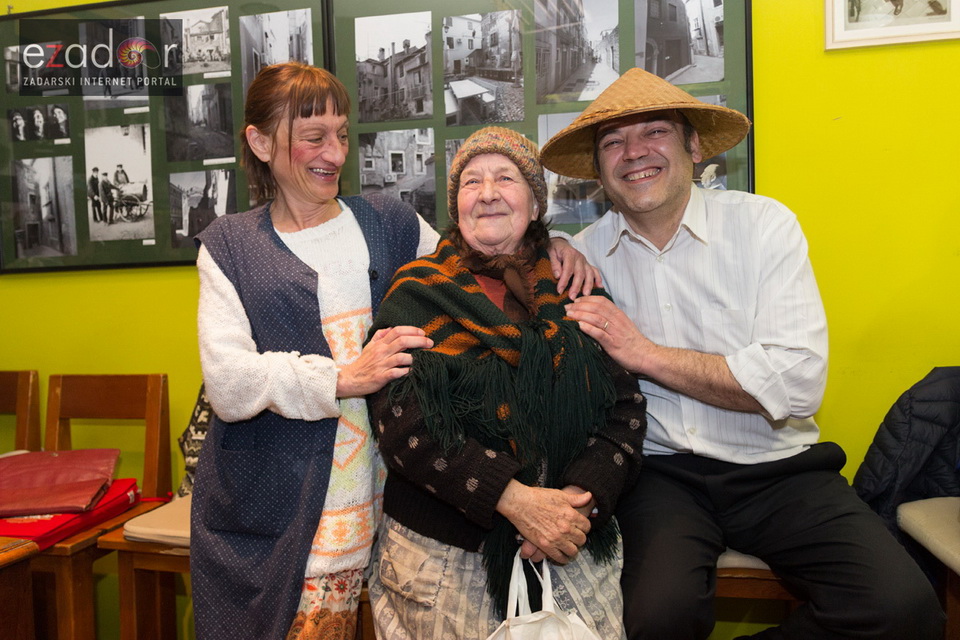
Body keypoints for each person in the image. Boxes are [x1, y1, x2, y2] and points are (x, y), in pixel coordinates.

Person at [191, 64, 597, 640]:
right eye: (313, 137)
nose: (335, 152)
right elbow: (228, 383)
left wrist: (553, 244)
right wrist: (342, 377)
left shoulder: (388, 222)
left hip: (384, 505)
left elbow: (482, 248)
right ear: (260, 143)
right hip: (275, 510)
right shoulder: (230, 246)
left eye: (341, 134)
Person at [540, 67, 945, 640]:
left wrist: (645, 353)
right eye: (613, 142)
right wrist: (548, 244)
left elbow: (797, 384)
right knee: (657, 618)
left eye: (654, 131)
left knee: (904, 609)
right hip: (659, 475)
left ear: (694, 146)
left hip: (778, 468)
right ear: (599, 168)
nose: (634, 153)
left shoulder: (763, 225)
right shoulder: (581, 258)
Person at [366, 126, 647, 640]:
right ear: (456, 205)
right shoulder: (416, 293)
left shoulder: (575, 287)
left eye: (506, 178)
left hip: (572, 547)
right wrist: (516, 501)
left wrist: (575, 502)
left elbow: (624, 410)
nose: (488, 193)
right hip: (444, 566)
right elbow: (402, 427)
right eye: (472, 182)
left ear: (535, 204)